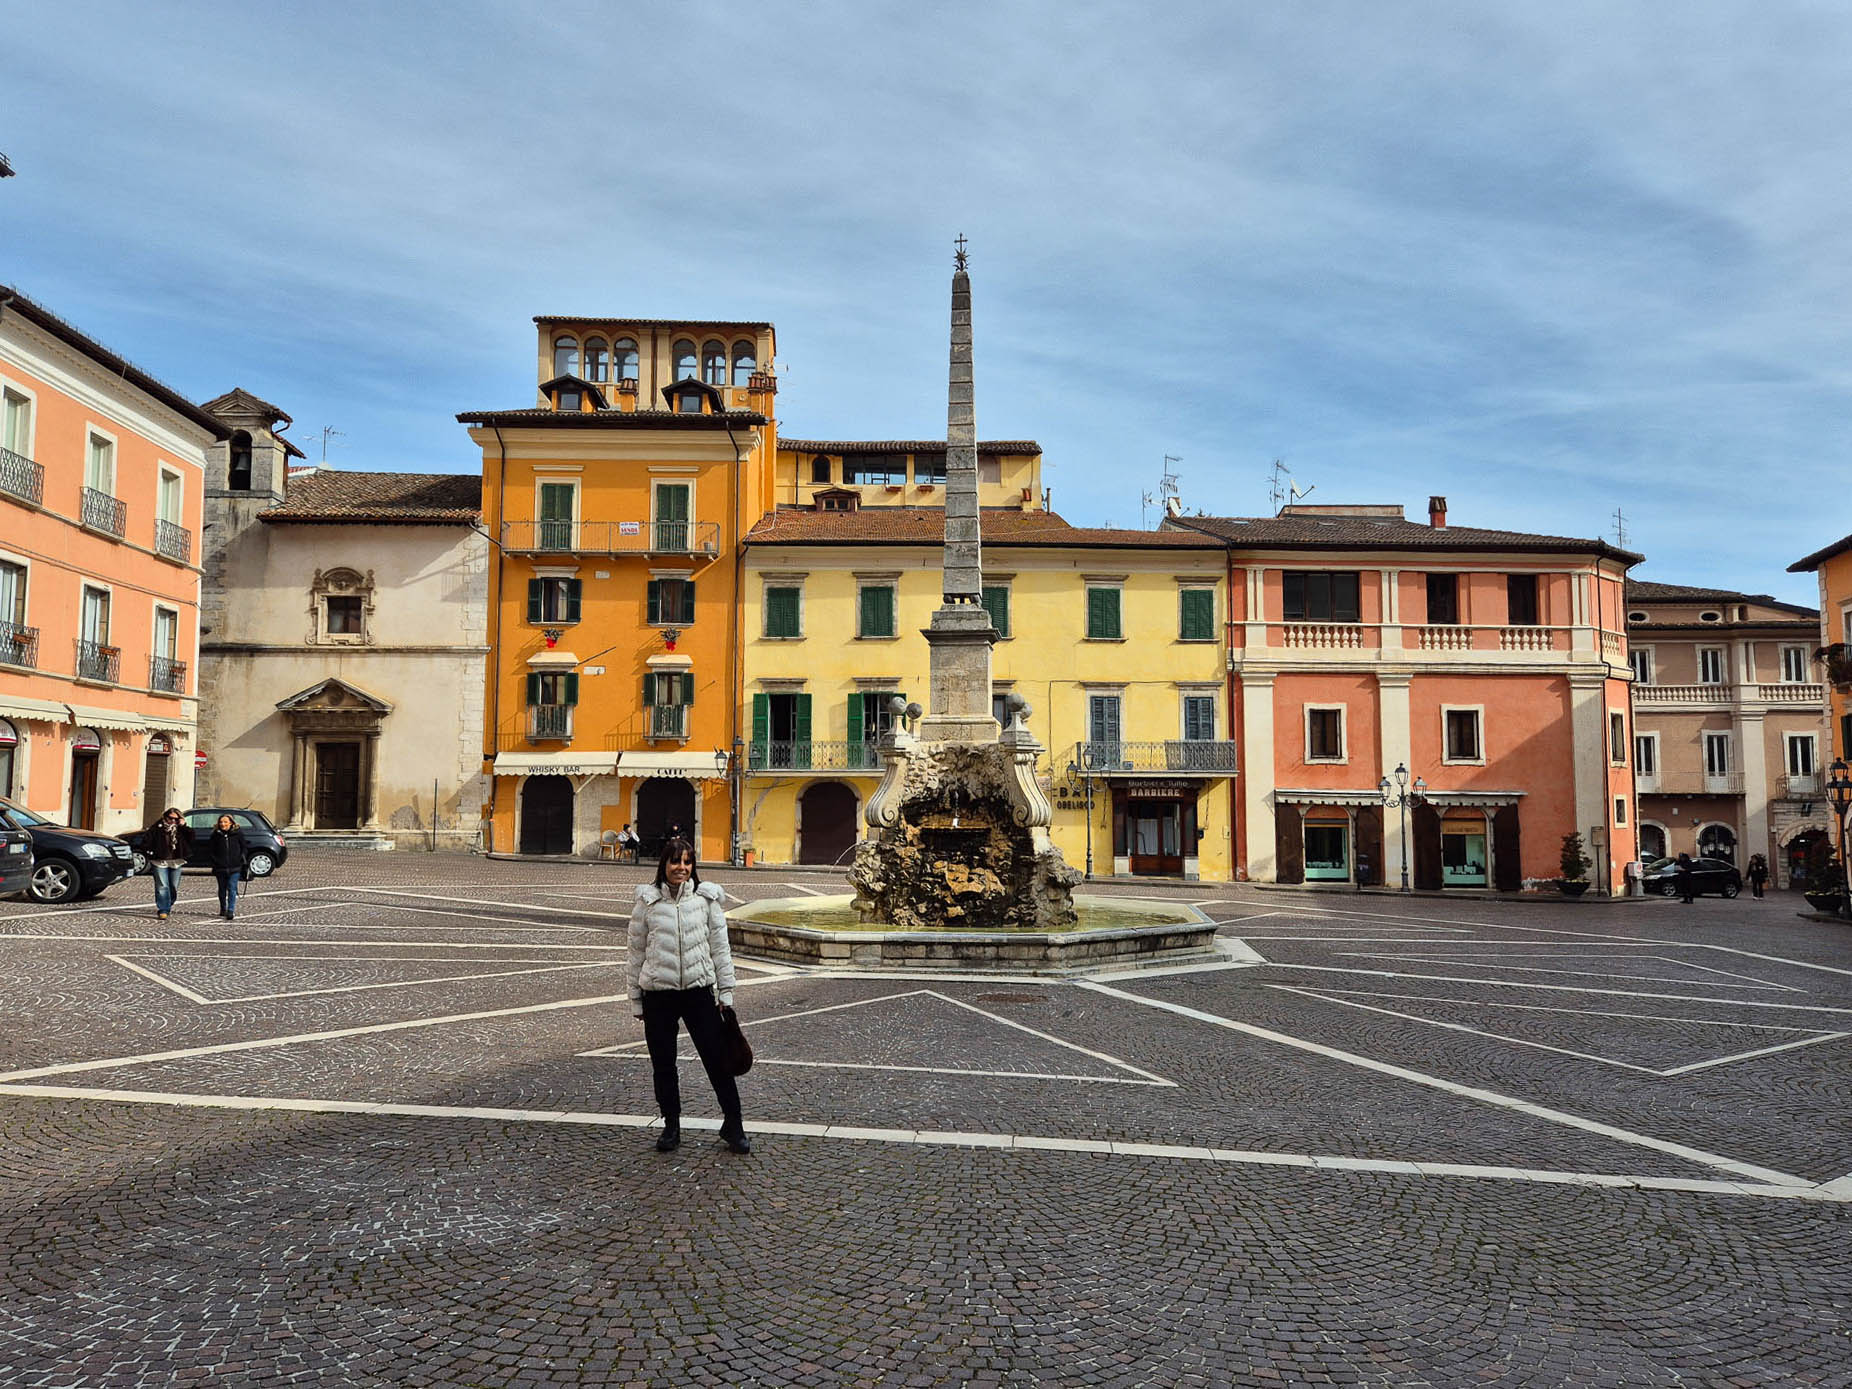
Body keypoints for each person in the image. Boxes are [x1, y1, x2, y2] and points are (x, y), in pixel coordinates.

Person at [627, 837, 748, 1155]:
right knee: (663, 1064)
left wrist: (727, 991)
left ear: (693, 867)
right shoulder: (648, 903)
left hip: (698, 992)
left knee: (717, 1060)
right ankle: (671, 1126)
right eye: (675, 861)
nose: (681, 868)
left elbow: (720, 949)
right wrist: (635, 999)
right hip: (658, 994)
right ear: (664, 864)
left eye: (687, 862)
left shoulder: (706, 901)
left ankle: (733, 1124)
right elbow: (635, 953)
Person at [144, 807, 193, 920]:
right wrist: (151, 853)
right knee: (162, 886)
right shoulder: (157, 827)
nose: (173, 821)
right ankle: (163, 909)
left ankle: (169, 903)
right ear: (165, 817)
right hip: (160, 862)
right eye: (171, 818)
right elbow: (146, 841)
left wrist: (183, 825)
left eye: (176, 819)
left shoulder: (181, 829)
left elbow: (191, 837)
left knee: (173, 886)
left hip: (176, 861)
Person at [207, 814, 244, 920]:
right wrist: (215, 861)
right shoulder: (215, 835)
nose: (223, 824)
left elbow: (244, 848)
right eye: (221, 822)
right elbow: (211, 850)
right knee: (222, 889)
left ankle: (230, 910)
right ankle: (223, 908)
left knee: (232, 888)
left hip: (235, 867)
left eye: (225, 822)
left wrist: (240, 858)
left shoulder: (238, 834)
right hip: (220, 867)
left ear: (231, 823)